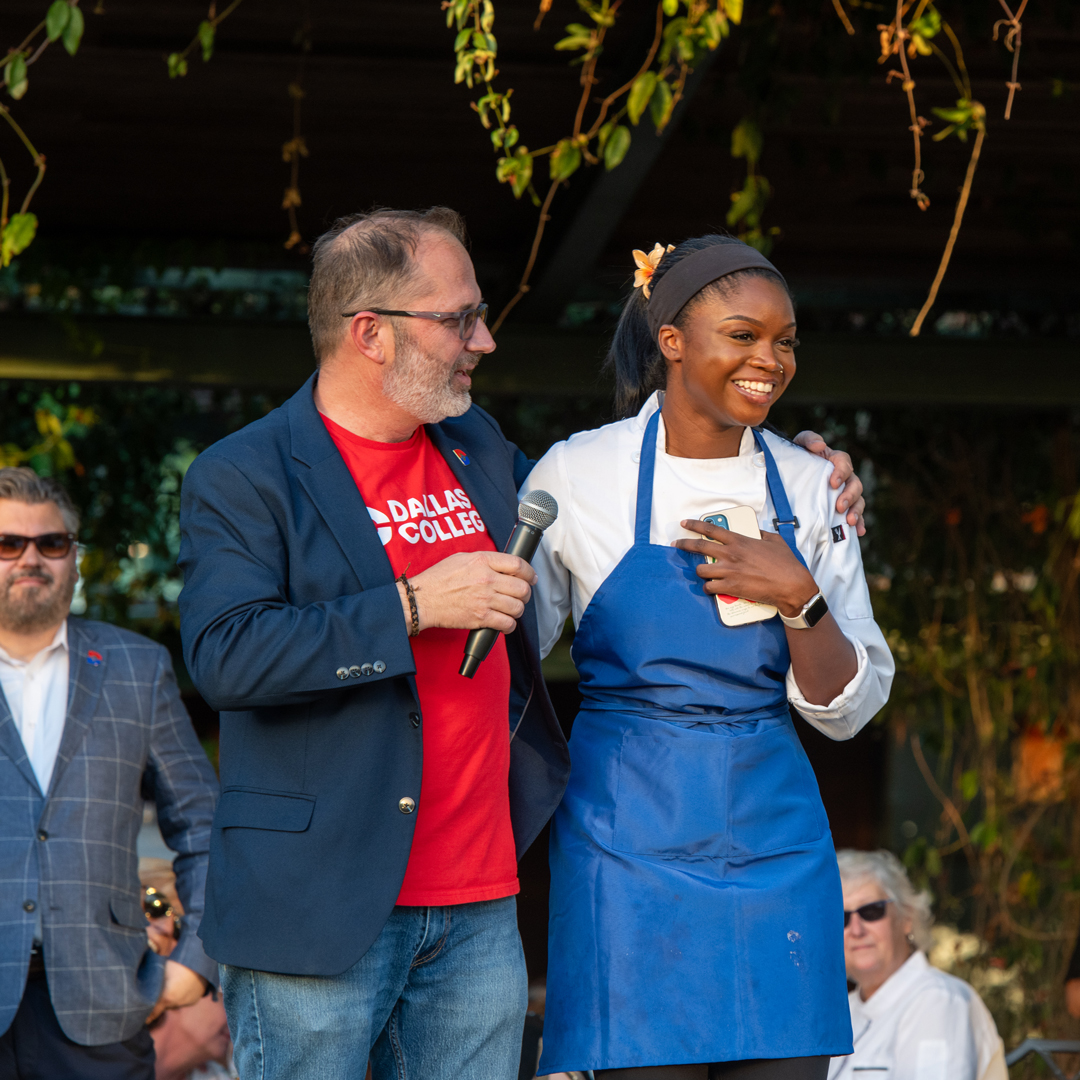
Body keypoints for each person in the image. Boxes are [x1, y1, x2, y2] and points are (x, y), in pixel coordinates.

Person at [177, 209, 867, 1080]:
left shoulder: (482, 452)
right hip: (327, 898)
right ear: (370, 333)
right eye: (459, 318)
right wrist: (415, 605)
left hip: (476, 898)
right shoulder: (247, 474)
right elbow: (228, 656)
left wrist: (815, 475)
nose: (487, 340)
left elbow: (667, 477)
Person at [526, 235, 895, 1080]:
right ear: (672, 341)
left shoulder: (809, 486)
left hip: (774, 837)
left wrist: (799, 596)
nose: (770, 360)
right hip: (624, 841)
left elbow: (850, 707)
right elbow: (510, 652)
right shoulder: (580, 475)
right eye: (743, 335)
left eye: (786, 340)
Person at [0, 467, 219, 1079]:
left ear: (74, 559)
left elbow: (204, 826)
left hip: (102, 1006)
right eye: (7, 544)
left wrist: (192, 963)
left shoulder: (135, 668)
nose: (30, 559)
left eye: (51, 543)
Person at [829, 849, 1006, 1080]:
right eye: (841, 917)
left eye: (871, 911)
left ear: (907, 918)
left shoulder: (939, 1000)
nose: (856, 929)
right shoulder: (844, 1011)